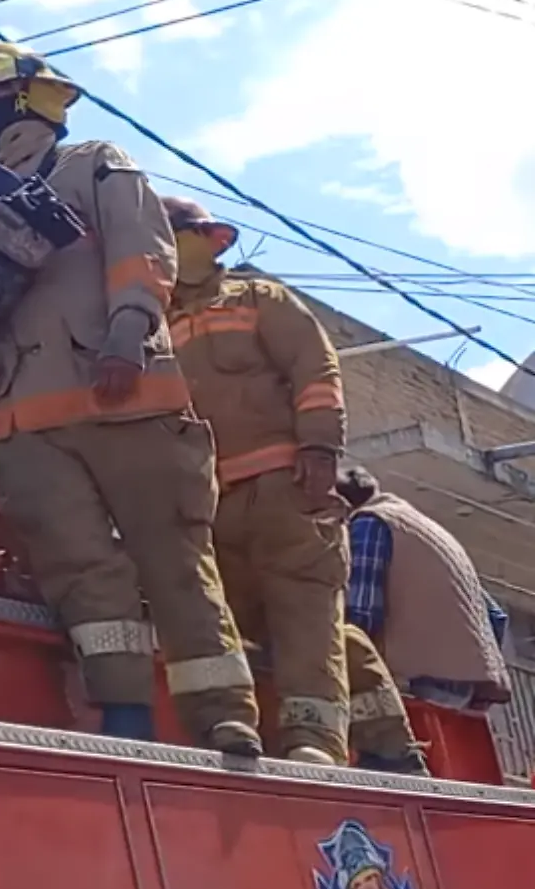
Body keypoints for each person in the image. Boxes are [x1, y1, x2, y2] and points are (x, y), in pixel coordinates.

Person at [0, 42, 260, 755]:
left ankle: (222, 716)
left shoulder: (95, 163)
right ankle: (125, 713)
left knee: (173, 558)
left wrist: (129, 329)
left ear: (28, 100)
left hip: (125, 397)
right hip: (26, 433)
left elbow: (143, 249)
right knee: (83, 574)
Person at [165, 197, 426, 772]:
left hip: (285, 488)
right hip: (214, 506)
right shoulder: (154, 326)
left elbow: (316, 369)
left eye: (181, 235)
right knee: (279, 623)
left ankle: (317, 744)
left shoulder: (260, 301)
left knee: (304, 617)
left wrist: (318, 448)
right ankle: (386, 736)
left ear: (212, 242)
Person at [337, 465, 513, 713]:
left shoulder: (369, 522)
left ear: (340, 506)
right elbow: (496, 616)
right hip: (463, 690)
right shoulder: (429, 530)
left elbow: (360, 617)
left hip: (417, 681)